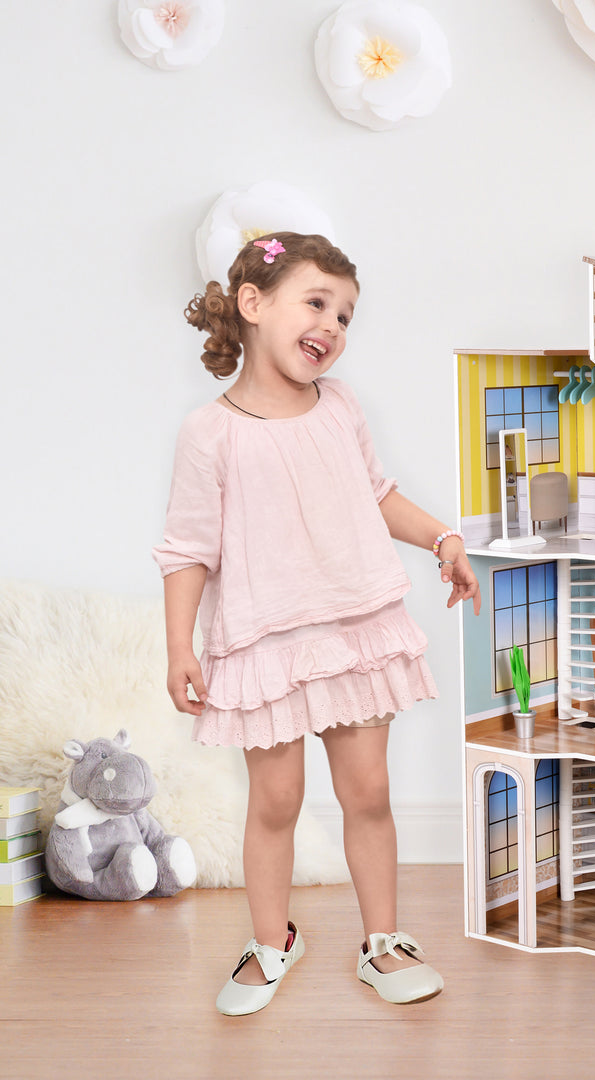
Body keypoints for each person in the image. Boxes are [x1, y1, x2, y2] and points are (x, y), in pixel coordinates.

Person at [152, 232, 480, 1016]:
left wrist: (442, 536)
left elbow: (375, 491)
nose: (332, 326)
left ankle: (384, 942)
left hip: (353, 627)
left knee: (368, 791)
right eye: (317, 303)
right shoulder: (212, 432)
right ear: (254, 304)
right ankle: (271, 941)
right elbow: (186, 549)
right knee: (276, 801)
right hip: (266, 640)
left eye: (345, 314)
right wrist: (179, 647)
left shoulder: (341, 406)